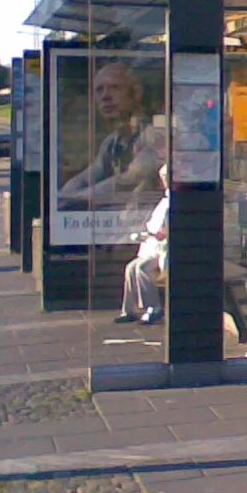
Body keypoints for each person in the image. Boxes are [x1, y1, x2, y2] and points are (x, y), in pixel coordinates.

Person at [59, 60, 161, 209]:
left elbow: (128, 180)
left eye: (115, 87)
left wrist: (70, 198)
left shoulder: (155, 133)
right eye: (99, 90)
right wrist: (63, 196)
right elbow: (87, 177)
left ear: (136, 92)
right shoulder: (113, 141)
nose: (105, 96)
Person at [116, 165, 169, 325]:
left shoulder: (174, 201)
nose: (164, 182)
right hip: (154, 246)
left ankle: (154, 307)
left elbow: (164, 231)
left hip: (164, 250)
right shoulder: (165, 200)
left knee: (142, 268)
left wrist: (153, 234)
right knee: (131, 267)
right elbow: (155, 226)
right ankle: (130, 310)